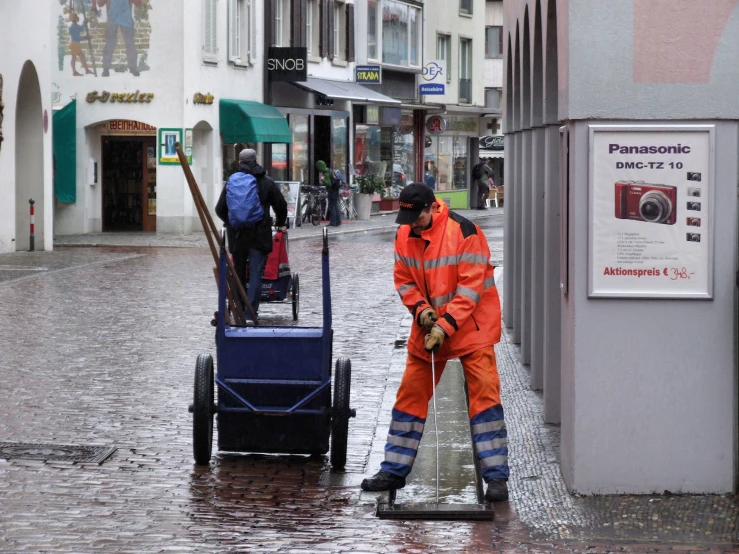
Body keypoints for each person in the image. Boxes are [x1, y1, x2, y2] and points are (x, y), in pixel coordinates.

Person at [360, 183, 509, 502]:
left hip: (471, 325)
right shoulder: (404, 233)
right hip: (430, 325)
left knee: (484, 393)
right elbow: (403, 279)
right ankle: (393, 470)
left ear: (431, 208)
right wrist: (423, 312)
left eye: (416, 217)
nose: (410, 224)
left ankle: (496, 478)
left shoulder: (465, 231)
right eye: (406, 218)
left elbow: (470, 291)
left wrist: (444, 327)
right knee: (410, 394)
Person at [215, 148, 287, 319]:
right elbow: (281, 205)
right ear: (256, 161)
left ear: (239, 163)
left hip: (237, 235)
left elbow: (219, 209)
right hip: (259, 235)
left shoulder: (232, 182)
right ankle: (251, 311)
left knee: (238, 271)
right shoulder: (266, 182)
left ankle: (238, 308)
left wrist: (231, 220)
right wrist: (280, 222)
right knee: (255, 273)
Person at [97, 0, 142, 77]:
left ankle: (133, 67)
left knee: (130, 43)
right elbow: (100, 3)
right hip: (112, 18)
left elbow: (138, 3)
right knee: (109, 44)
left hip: (126, 18)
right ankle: (106, 68)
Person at [316, 160, 341, 227]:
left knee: (331, 207)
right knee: (335, 206)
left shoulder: (326, 173)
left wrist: (322, 179)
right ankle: (338, 222)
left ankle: (333, 222)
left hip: (331, 191)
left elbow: (329, 183)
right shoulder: (330, 170)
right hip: (336, 190)